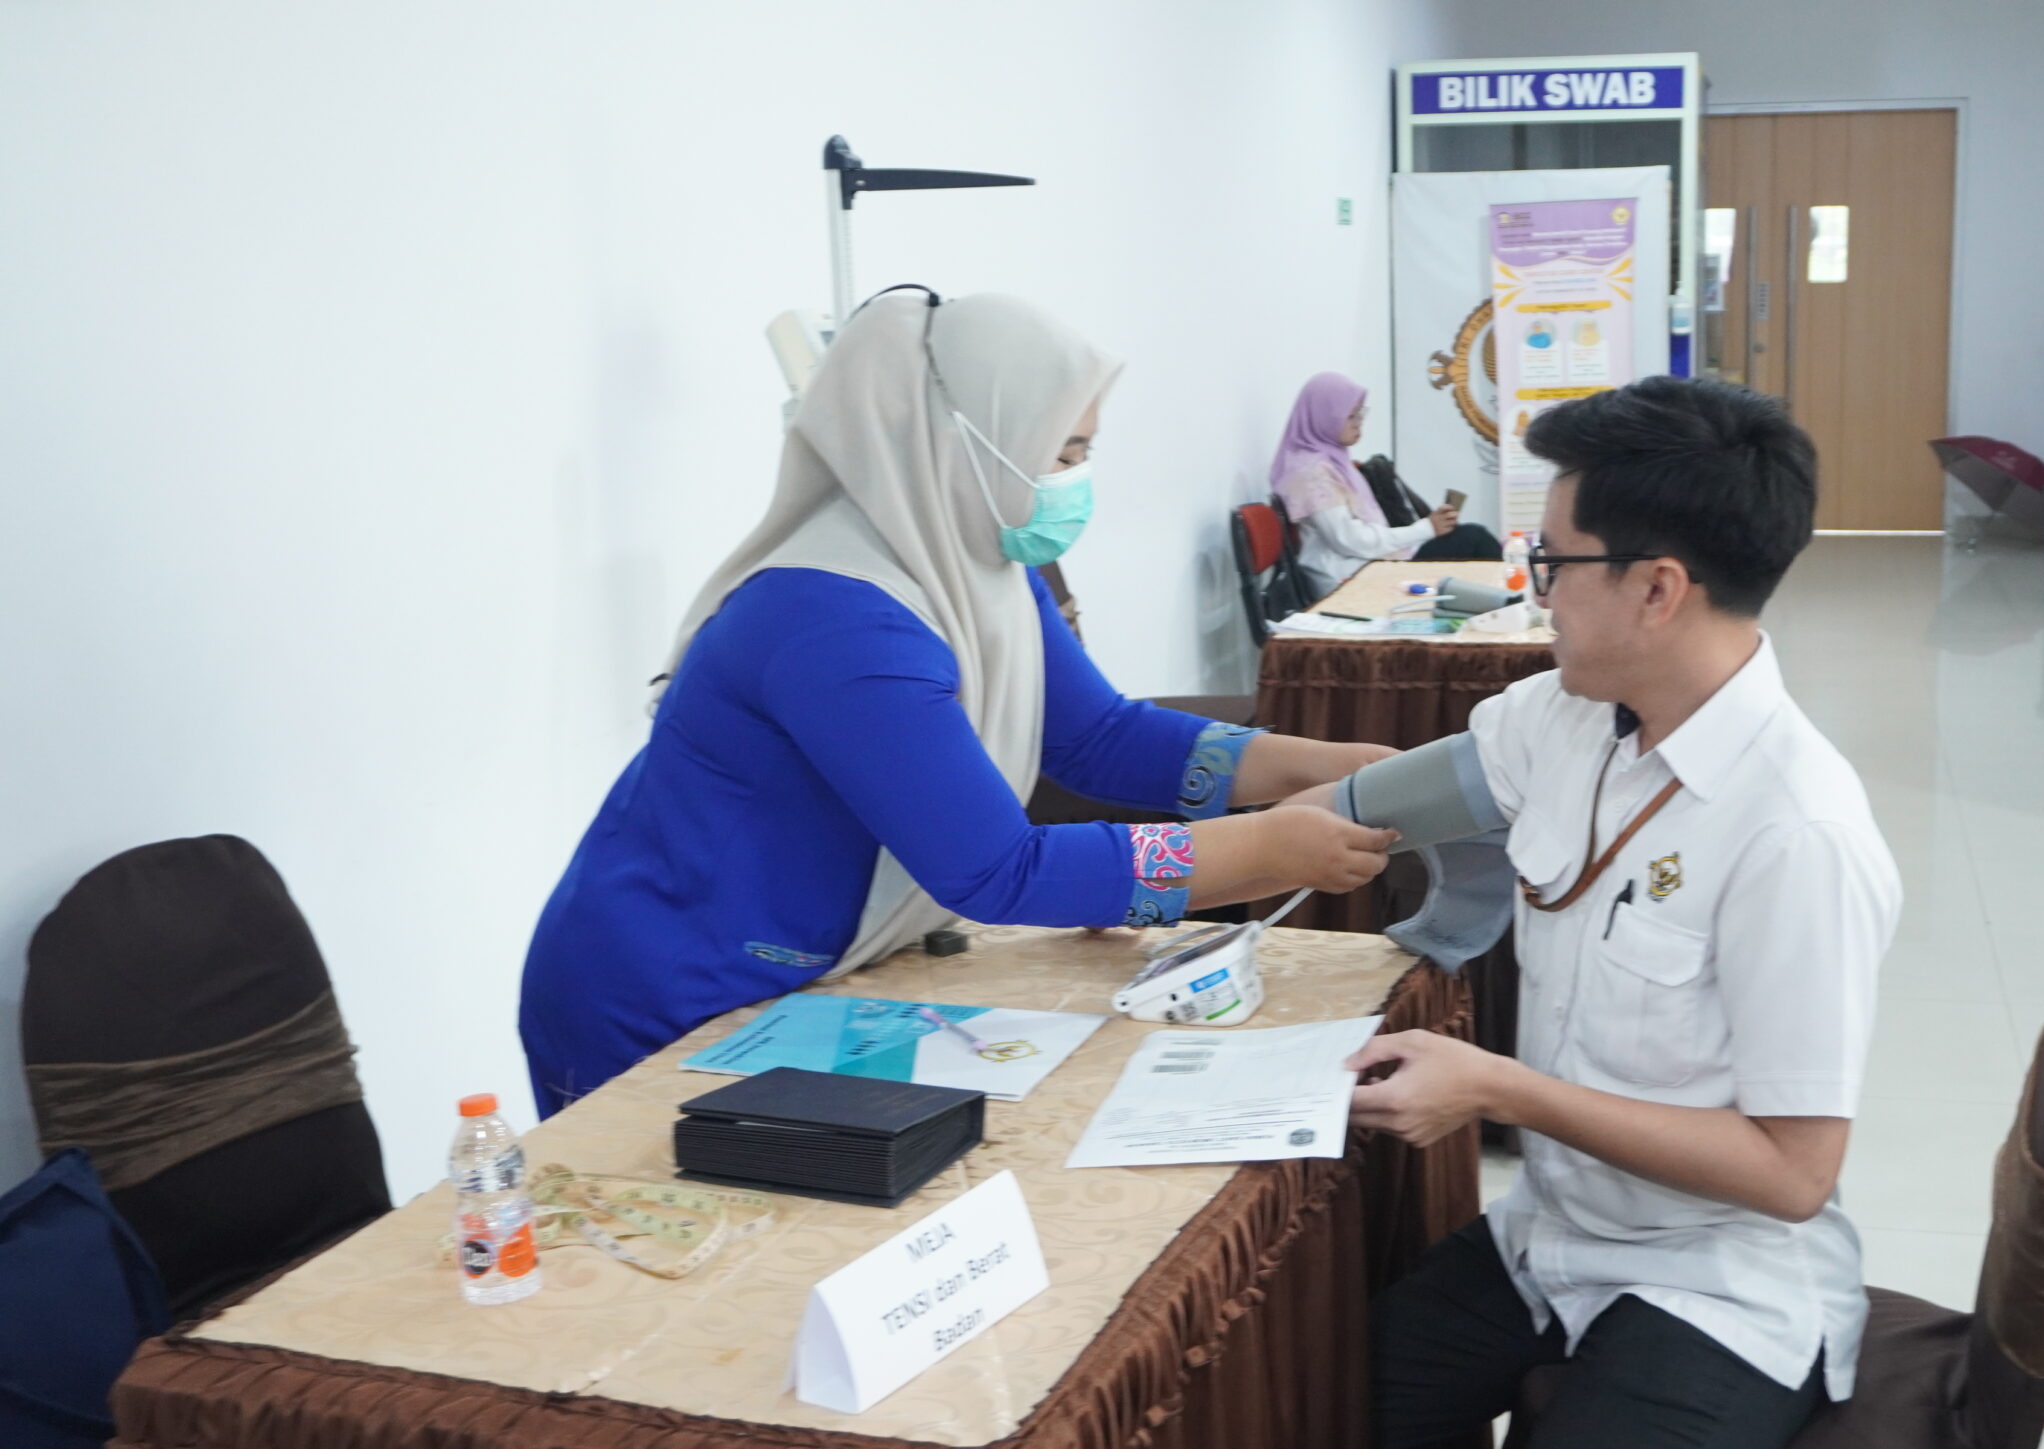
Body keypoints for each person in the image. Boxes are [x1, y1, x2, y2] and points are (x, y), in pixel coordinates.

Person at [519, 289, 1397, 1117]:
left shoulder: (978, 564)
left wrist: (1328, 765)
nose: (1076, 481)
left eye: (1084, 453)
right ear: (967, 441)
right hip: (668, 988)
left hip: (806, 971)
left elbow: (1096, 735)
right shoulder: (834, 616)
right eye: (1063, 454)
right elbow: (995, 869)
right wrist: (1263, 846)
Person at [1346, 378, 1901, 1447]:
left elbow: (1793, 1174)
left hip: (1717, 1275)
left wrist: (1500, 1088)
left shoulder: (1798, 832)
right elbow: (1364, 809)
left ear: (1656, 588)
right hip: (1553, 1233)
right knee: (1343, 1393)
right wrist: (1154, 863)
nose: (1537, 590)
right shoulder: (1564, 719)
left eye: (1553, 561)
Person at [1272, 372, 1501, 595]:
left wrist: (1426, 531)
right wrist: (1425, 529)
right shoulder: (1312, 474)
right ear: (1324, 417)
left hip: (1371, 561)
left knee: (1469, 539)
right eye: (1350, 416)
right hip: (1350, 575)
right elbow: (1349, 540)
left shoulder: (1333, 461)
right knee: (1474, 539)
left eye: (1360, 414)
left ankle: (1502, 604)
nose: (1358, 424)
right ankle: (1507, 605)